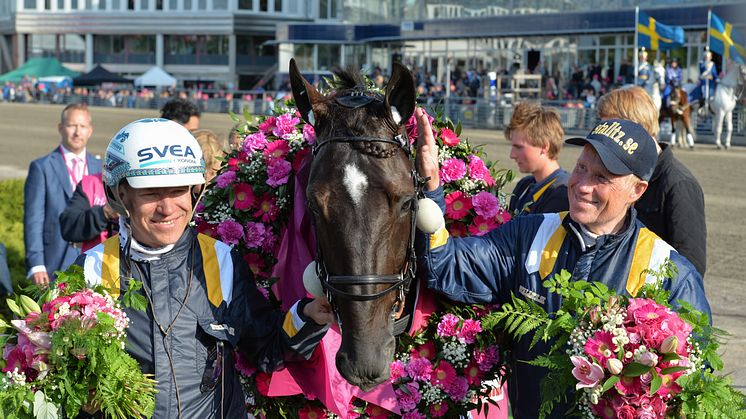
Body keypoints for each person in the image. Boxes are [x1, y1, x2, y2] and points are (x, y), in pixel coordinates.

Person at [414, 108, 710, 418]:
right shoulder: (529, 234)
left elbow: (691, 387)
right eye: (581, 167)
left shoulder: (672, 274)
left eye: (602, 178)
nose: (582, 184)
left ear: (638, 190)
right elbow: (446, 266)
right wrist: (431, 184)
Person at [74, 118, 333, 418]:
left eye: (178, 191)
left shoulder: (221, 261)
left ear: (194, 191)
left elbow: (266, 346)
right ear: (121, 195)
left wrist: (307, 318)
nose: (167, 207)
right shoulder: (91, 269)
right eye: (151, 193)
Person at [597, 86, 707, 276]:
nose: (605, 138)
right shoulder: (618, 171)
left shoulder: (679, 185)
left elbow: (690, 267)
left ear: (637, 126)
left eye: (613, 129)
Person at [24, 103, 101, 288]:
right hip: (54, 259)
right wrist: (36, 263)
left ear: (90, 131)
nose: (77, 132)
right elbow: (34, 219)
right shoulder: (42, 167)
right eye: (72, 125)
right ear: (61, 128)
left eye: (82, 126)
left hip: (94, 257)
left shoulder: (101, 168)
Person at [505, 102, 569, 215]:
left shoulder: (562, 194)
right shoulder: (524, 186)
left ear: (544, 146)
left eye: (519, 147)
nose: (512, 155)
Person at [58, 173, 120, 253]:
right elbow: (68, 227)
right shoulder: (90, 183)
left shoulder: (139, 184)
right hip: (96, 260)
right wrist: (104, 213)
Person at [695, 47, 719, 111]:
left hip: (710, 81)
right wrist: (705, 63)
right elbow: (701, 71)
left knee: (711, 95)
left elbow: (714, 73)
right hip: (704, 81)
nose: (707, 58)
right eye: (706, 56)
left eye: (708, 57)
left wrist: (716, 78)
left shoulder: (712, 64)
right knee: (703, 94)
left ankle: (711, 108)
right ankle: (702, 107)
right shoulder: (701, 63)